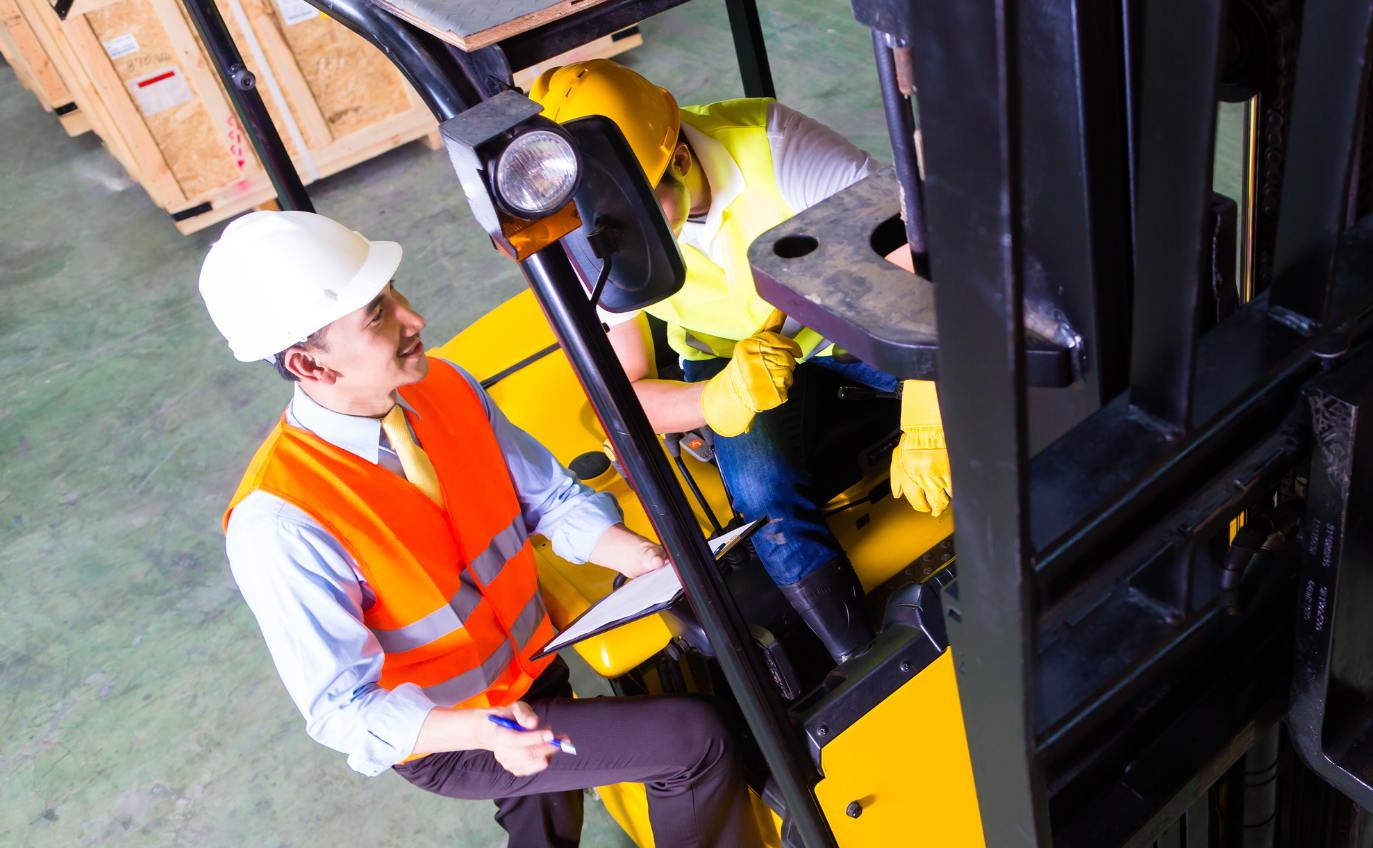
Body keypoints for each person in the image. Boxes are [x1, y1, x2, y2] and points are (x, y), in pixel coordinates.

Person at [205, 211, 766, 848]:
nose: (413, 320)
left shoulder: (445, 386)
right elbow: (342, 711)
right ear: (311, 366)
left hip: (532, 664)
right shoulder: (281, 522)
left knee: (545, 818)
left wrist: (637, 555)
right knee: (693, 742)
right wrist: (482, 731)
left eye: (393, 295)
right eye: (378, 317)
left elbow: (548, 498)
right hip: (454, 733)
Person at [529, 60, 951, 665]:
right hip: (730, 364)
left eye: (635, 219)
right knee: (760, 491)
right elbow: (619, 396)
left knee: (995, 372)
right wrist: (714, 399)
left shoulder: (781, 153)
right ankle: (862, 659)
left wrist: (928, 395)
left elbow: (922, 254)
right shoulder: (598, 236)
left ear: (676, 162)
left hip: (853, 319)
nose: (619, 245)